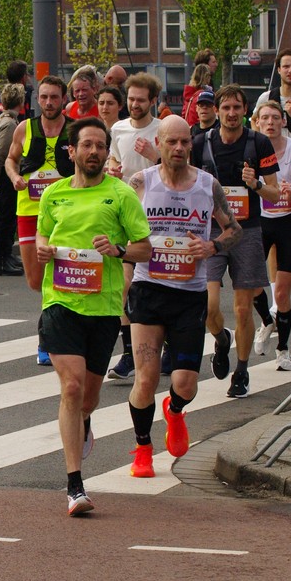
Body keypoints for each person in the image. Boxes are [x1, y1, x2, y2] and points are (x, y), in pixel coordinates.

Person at [35, 116, 151, 514]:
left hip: (103, 308)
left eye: (101, 146)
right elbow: (42, 232)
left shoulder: (120, 195)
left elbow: (145, 248)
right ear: (72, 151)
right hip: (60, 302)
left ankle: (83, 420)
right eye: (87, 145)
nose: (94, 151)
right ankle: (74, 486)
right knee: (71, 387)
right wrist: (43, 247)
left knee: (88, 397)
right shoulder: (54, 194)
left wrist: (118, 250)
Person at [125, 116, 242, 477]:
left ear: (192, 144)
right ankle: (143, 449)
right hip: (148, 289)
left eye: (185, 142)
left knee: (185, 384)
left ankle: (175, 410)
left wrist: (211, 246)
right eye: (171, 142)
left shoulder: (207, 185)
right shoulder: (140, 183)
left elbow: (234, 230)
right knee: (145, 379)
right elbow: (119, 230)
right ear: (158, 144)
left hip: (189, 294)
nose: (178, 148)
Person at [192, 84, 281, 399]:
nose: (231, 113)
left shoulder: (258, 143)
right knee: (208, 306)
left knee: (243, 309)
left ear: (245, 112)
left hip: (247, 231)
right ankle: (220, 339)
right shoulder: (200, 143)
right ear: (217, 111)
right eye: (226, 108)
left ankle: (241, 370)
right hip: (211, 232)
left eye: (237, 108)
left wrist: (255, 184)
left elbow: (275, 193)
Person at [5, 75, 72, 365]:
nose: (48, 102)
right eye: (44, 97)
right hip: (30, 210)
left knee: (60, 277)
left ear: (63, 99)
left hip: (66, 212)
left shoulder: (74, 129)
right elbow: (10, 159)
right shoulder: (24, 128)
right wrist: (14, 177)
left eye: (54, 97)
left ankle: (49, 338)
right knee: (36, 280)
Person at [105, 72, 163, 380]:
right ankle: (129, 354)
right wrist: (113, 170)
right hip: (127, 215)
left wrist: (155, 156)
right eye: (131, 99)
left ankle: (168, 346)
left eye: (141, 100)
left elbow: (180, 168)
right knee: (124, 286)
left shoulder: (163, 129)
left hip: (160, 217)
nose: (135, 105)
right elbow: (114, 161)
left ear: (153, 101)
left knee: (161, 286)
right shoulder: (118, 129)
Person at [252, 100, 291, 371]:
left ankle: (283, 350)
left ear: (283, 121)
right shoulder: (251, 150)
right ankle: (267, 321)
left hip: (289, 221)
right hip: (260, 221)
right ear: (257, 122)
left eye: (275, 118)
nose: (270, 122)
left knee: (282, 292)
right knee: (251, 283)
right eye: (265, 118)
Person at [0, 82, 24, 276]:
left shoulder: (2, 119)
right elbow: (0, 153)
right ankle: (2, 259)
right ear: (21, 101)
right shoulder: (10, 124)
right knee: (7, 218)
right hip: (6, 175)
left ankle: (7, 255)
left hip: (2, 174)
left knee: (8, 217)